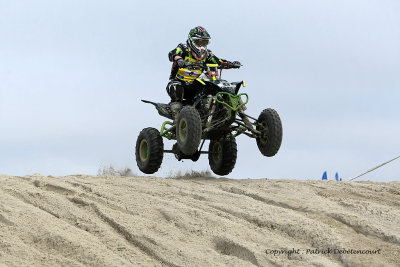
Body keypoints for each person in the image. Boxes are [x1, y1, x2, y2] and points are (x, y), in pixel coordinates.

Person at [166, 26, 241, 121]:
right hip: (181, 84)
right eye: (199, 42)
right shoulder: (183, 48)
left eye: (204, 43)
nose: (201, 46)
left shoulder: (207, 54)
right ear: (192, 41)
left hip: (195, 84)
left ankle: (218, 111)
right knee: (175, 86)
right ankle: (177, 116)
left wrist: (230, 64)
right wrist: (179, 59)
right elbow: (172, 53)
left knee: (213, 86)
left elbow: (217, 61)